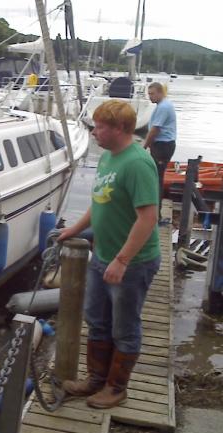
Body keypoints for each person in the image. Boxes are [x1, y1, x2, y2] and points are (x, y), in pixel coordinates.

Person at [58, 99, 161, 409]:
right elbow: (99, 201)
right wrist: (74, 230)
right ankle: (96, 379)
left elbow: (148, 218)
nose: (93, 133)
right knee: (97, 320)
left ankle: (116, 388)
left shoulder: (137, 163)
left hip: (132, 263)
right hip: (102, 255)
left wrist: (122, 260)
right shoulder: (107, 158)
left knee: (124, 326)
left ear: (119, 129)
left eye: (100, 127)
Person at [143, 82, 177, 223]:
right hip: (161, 145)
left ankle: (156, 217)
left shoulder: (163, 107)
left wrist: (144, 147)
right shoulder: (163, 105)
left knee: (156, 180)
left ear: (160, 92)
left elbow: (155, 130)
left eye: (152, 94)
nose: (149, 97)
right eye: (148, 94)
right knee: (155, 178)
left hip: (163, 146)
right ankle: (156, 214)